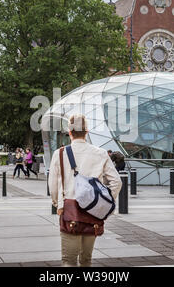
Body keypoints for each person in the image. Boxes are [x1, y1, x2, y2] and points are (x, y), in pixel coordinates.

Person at [48, 114, 122, 267]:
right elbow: (116, 182)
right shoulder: (100, 153)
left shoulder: (60, 153)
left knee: (68, 261)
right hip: (93, 211)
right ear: (87, 131)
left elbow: (53, 185)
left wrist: (58, 204)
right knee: (86, 260)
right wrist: (104, 203)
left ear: (69, 132)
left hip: (69, 210)